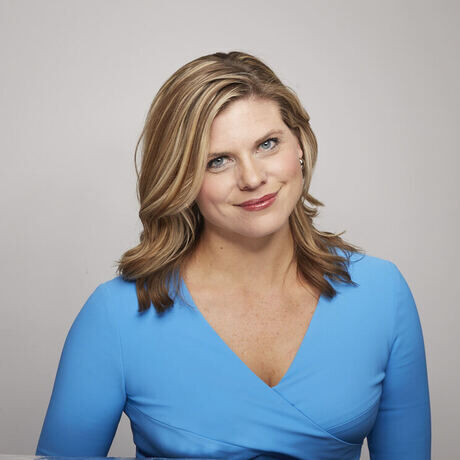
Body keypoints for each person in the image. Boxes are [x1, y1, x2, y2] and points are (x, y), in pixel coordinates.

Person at [35, 51, 431, 460]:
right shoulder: (116, 315)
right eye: (218, 161)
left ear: (299, 144)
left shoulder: (382, 294)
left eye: (267, 144)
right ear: (182, 178)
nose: (252, 178)